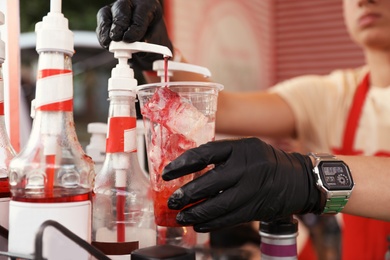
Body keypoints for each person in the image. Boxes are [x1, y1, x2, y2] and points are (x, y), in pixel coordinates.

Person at [96, 0, 390, 258]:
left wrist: (308, 178)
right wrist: (163, 57)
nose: (365, 0)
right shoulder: (334, 95)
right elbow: (216, 110)